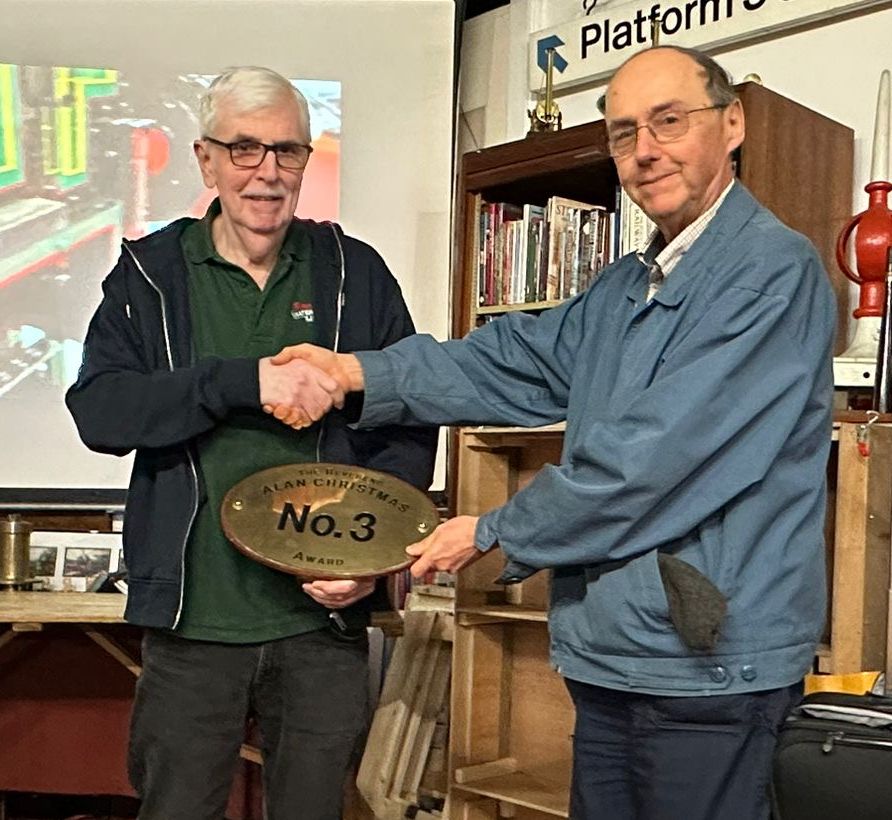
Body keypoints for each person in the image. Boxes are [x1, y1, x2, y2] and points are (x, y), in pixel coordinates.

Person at [268, 47, 837, 820]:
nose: (645, 150)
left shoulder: (770, 271)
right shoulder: (624, 287)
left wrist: (493, 528)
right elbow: (508, 360)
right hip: (613, 659)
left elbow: (648, 462)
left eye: (669, 122)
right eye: (623, 132)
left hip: (708, 675)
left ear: (731, 122)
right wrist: (355, 374)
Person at [65, 66, 436, 820]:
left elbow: (409, 412)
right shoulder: (151, 275)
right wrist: (241, 383)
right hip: (191, 626)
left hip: (320, 626)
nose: (267, 173)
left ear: (306, 158)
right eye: (244, 150)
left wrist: (372, 558)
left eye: (287, 152)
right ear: (205, 160)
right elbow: (101, 412)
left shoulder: (351, 272)